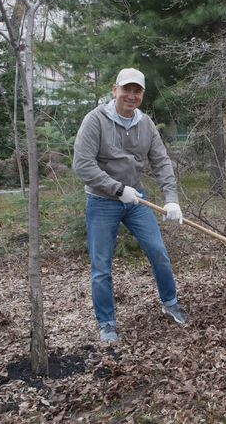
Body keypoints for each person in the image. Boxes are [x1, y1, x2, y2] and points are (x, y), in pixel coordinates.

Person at [73, 67, 187, 342]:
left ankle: (170, 303)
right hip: (102, 201)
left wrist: (171, 200)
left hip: (136, 200)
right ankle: (107, 324)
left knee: (158, 251)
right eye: (127, 90)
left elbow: (161, 162)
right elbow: (82, 165)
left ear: (142, 95)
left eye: (137, 91)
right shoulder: (95, 120)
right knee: (101, 266)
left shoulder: (145, 124)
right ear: (115, 90)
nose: (131, 96)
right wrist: (116, 188)